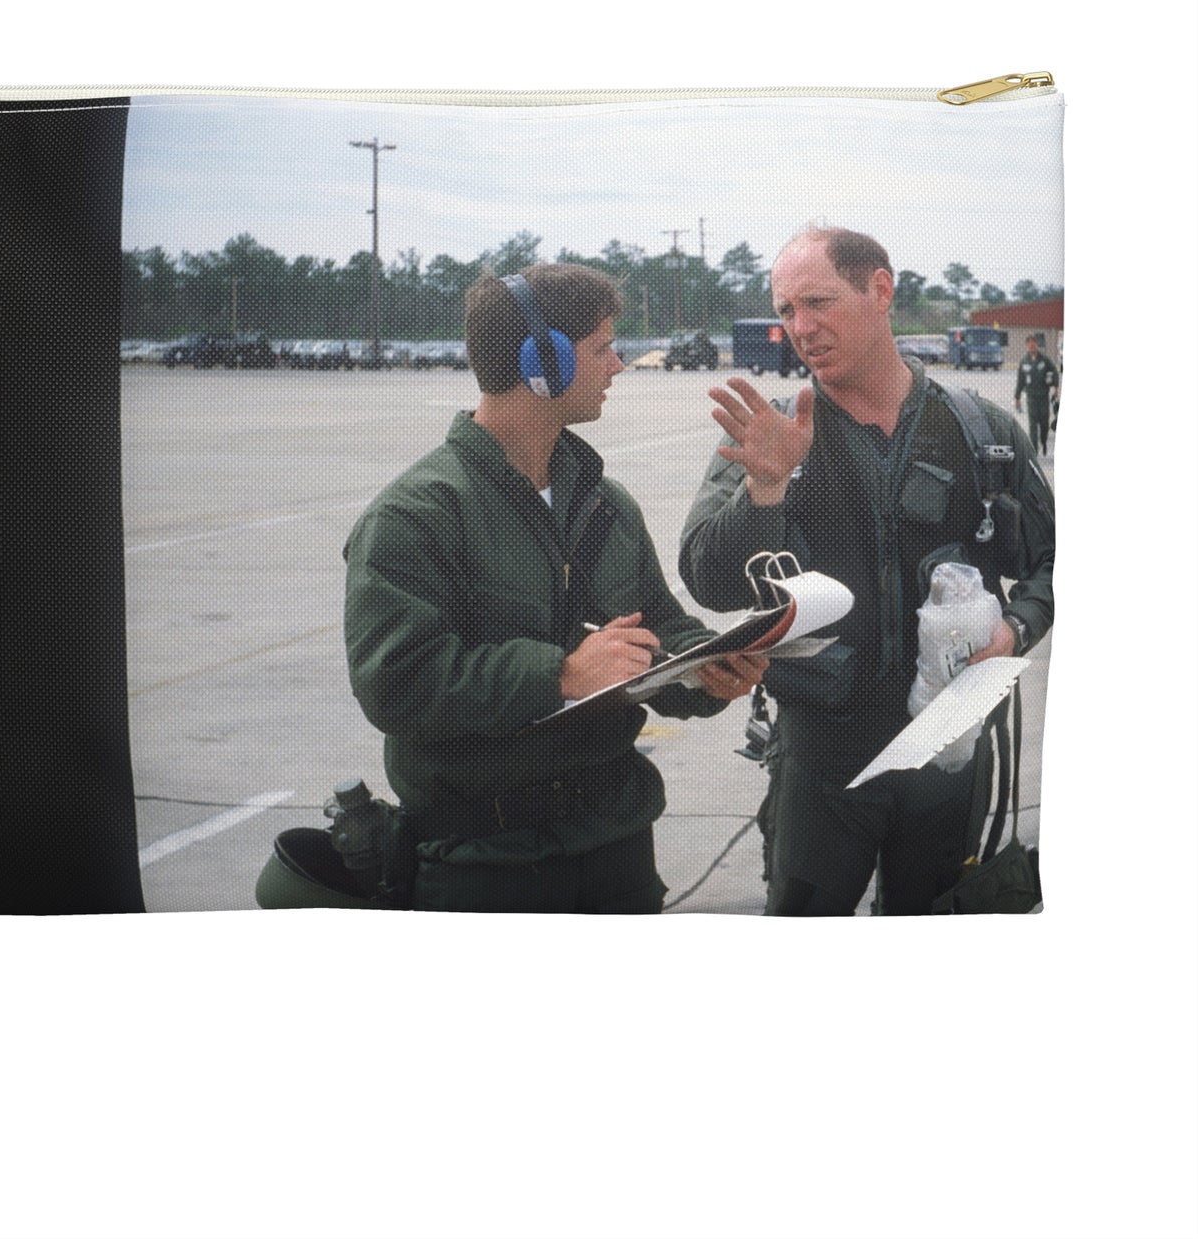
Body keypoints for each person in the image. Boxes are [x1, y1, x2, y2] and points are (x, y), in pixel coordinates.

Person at [343, 263, 767, 914]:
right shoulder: (415, 515)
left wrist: (709, 665)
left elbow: (656, 622)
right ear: (542, 361)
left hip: (616, 846)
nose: (617, 365)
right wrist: (559, 674)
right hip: (483, 866)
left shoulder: (605, 505)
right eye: (601, 348)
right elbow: (395, 682)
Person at [679, 227, 1055, 916]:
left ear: (879, 289)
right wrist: (764, 486)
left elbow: (1050, 566)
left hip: (948, 746)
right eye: (785, 309)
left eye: (817, 302)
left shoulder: (980, 432)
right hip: (821, 761)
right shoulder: (770, 434)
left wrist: (1014, 629)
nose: (799, 327)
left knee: (932, 925)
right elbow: (710, 579)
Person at [1014, 333, 1061, 456]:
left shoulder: (1044, 360)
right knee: (1033, 425)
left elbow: (1054, 372)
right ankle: (1033, 450)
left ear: (1037, 345)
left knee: (1044, 424)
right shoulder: (1024, 362)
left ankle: (1044, 442)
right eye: (1029, 343)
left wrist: (1056, 388)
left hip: (1043, 397)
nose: (1031, 345)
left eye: (1033, 343)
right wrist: (1017, 397)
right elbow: (1020, 380)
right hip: (1031, 398)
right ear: (1026, 346)